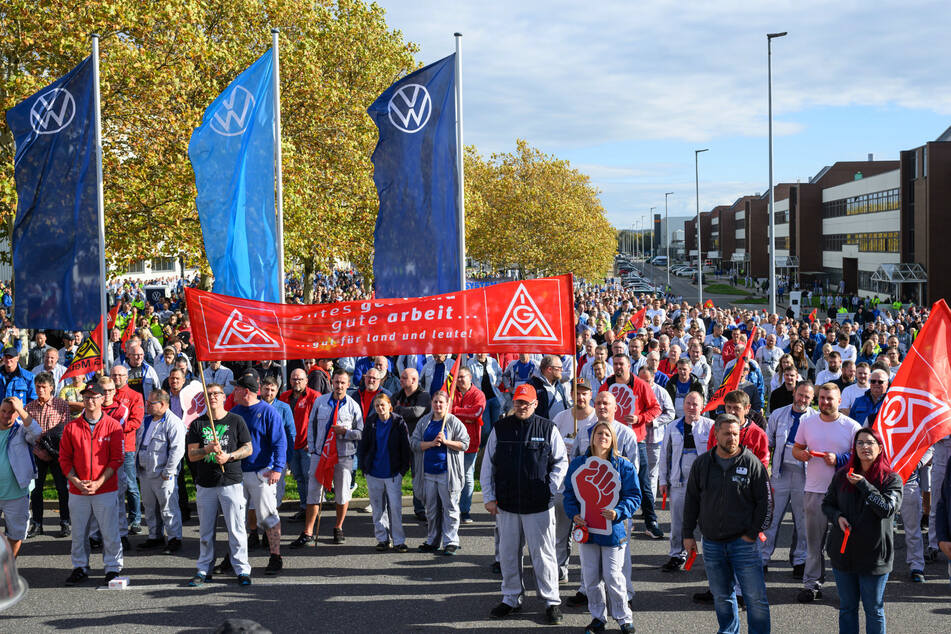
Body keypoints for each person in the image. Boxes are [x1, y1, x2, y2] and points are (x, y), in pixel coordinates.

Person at [480, 384, 568, 625]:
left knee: (544, 556)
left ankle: (551, 601)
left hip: (539, 505)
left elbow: (561, 462)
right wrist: (488, 496)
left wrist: (550, 488)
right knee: (508, 555)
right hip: (507, 505)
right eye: (518, 402)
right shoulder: (501, 428)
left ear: (535, 404)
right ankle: (510, 598)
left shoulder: (548, 428)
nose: (522, 406)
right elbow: (487, 465)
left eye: (526, 403)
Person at [682, 413, 771, 634]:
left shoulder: (751, 463)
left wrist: (752, 533)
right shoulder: (702, 464)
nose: (732, 438)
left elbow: (765, 503)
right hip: (712, 543)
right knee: (722, 597)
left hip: (745, 543)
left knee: (755, 598)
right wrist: (687, 534)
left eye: (735, 433)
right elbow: (691, 500)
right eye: (727, 433)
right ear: (716, 434)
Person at [822, 427, 902, 634]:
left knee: (873, 609)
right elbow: (827, 504)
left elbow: (886, 509)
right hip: (843, 554)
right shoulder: (842, 475)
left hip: (874, 557)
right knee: (847, 608)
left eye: (870, 443)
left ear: (880, 448)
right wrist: (837, 517)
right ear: (854, 448)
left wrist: (864, 485)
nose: (865, 447)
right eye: (860, 443)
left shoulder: (891, 479)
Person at [563, 421, 640, 634]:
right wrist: (574, 514)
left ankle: (624, 618)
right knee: (591, 577)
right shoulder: (579, 464)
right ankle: (598, 618)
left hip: (613, 530)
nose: (602, 437)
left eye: (607, 434)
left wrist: (619, 511)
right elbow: (569, 493)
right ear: (592, 436)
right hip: (587, 529)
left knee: (614, 576)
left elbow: (634, 495)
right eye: (599, 433)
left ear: (613, 438)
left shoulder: (623, 465)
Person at [792, 383, 861, 603]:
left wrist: (839, 460)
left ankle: (849, 587)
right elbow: (797, 447)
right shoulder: (807, 422)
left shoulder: (852, 426)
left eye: (829, 399)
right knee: (814, 544)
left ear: (839, 401)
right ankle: (812, 584)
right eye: (821, 398)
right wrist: (800, 454)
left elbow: (862, 458)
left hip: (845, 494)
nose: (824, 402)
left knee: (846, 544)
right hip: (814, 490)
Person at [184, 383, 254, 587]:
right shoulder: (198, 424)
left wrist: (229, 456)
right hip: (205, 484)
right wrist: (206, 450)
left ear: (224, 397)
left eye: (216, 394)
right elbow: (191, 455)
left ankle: (242, 569)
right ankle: (203, 569)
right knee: (206, 531)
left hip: (230, 481)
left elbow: (248, 448)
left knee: (236, 529)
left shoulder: (236, 421)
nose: (213, 397)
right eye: (208, 394)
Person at [58, 383, 125, 586]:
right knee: (79, 532)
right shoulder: (72, 427)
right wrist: (77, 482)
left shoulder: (113, 425)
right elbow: (64, 459)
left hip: (104, 488)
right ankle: (80, 566)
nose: (90, 401)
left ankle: (113, 568)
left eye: (94, 397)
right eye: (86, 397)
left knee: (110, 531)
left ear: (101, 399)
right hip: (78, 490)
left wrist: (98, 483)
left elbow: (117, 459)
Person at [294, 368, 363, 546]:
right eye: (336, 382)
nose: (339, 386)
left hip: (343, 456)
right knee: (314, 493)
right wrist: (313, 448)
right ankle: (308, 531)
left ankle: (338, 527)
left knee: (342, 493)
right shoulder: (321, 402)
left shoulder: (353, 406)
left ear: (348, 385)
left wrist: (346, 432)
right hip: (320, 454)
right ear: (331, 382)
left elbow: (360, 433)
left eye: (343, 383)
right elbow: (312, 425)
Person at [229, 370, 286, 576]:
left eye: (236, 388)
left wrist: (277, 468)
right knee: (235, 517)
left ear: (245, 391)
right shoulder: (235, 412)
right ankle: (234, 556)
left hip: (262, 472)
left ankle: (275, 556)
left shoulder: (268, 412)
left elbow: (280, 441)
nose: (233, 391)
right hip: (237, 473)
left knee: (268, 516)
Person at [599, 353, 662, 539]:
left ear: (629, 366)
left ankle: (651, 522)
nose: (618, 367)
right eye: (616, 364)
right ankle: (618, 518)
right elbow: (600, 403)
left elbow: (656, 408)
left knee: (642, 482)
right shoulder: (608, 384)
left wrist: (640, 418)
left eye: (622, 364)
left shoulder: (640, 385)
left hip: (636, 439)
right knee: (610, 481)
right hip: (610, 440)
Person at [762, 381, 816, 575]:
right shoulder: (778, 414)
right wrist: (765, 471)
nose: (802, 399)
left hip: (804, 475)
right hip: (780, 473)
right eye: (800, 395)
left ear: (812, 399)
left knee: (802, 521)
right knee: (771, 518)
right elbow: (767, 443)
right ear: (795, 393)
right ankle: (763, 558)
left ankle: (800, 560)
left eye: (807, 397)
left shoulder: (815, 419)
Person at [658, 390, 713, 572]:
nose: (691, 407)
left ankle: (711, 557)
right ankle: (676, 555)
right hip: (679, 483)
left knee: (707, 522)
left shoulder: (711, 426)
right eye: (688, 403)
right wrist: (663, 481)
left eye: (695, 404)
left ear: (702, 406)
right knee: (678, 522)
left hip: (704, 484)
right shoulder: (673, 427)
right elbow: (664, 455)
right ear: (683, 405)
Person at [410, 390, 469, 554]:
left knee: (450, 507)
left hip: (447, 473)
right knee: (432, 509)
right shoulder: (424, 422)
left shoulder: (453, 422)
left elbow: (465, 444)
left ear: (447, 404)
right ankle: (433, 540)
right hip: (428, 473)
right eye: (435, 402)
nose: (437, 405)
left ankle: (451, 541)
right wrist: (430, 443)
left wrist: (446, 442)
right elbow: (414, 443)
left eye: (441, 402)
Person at [551, 379, 597, 583]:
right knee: (561, 531)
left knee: (591, 533)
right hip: (564, 484)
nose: (580, 397)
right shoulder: (560, 418)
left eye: (584, 393)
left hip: (590, 487)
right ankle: (560, 568)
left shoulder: (597, 419)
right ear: (571, 394)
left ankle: (591, 575)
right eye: (577, 393)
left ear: (591, 395)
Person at [357, 393, 411, 552]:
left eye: (383, 405)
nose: (380, 408)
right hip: (373, 472)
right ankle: (382, 538)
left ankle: (399, 540)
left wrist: (403, 470)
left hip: (393, 473)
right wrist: (364, 467)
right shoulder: (371, 422)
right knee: (377, 508)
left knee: (395, 508)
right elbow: (363, 445)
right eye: (377, 406)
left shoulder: (398, 422)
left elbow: (405, 448)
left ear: (390, 406)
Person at [135, 388, 185, 553]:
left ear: (162, 404)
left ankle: (174, 538)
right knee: (149, 507)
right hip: (145, 472)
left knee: (168, 507)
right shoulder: (147, 420)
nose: (147, 405)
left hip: (163, 474)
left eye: (150, 403)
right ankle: (154, 536)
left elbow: (177, 450)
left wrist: (168, 471)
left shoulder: (173, 422)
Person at [26, 372, 72, 538]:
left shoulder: (61, 405)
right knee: (36, 490)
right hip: (37, 453)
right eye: (38, 386)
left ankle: (65, 522)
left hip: (58, 454)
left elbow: (65, 430)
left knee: (62, 489)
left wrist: (53, 450)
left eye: (44, 387)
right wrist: (37, 450)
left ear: (51, 388)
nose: (40, 390)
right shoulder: (29, 407)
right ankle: (37, 524)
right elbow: (26, 433)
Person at [0, 396, 42, 557]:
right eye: (3, 411)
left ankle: (7, 569)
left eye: (11, 412)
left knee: (16, 535)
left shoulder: (21, 430)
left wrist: (22, 411)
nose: (6, 415)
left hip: (16, 493)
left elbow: (37, 433)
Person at [278, 368, 320, 521]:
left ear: (306, 381)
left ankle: (313, 510)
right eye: (294, 379)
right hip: (290, 446)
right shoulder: (284, 397)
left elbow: (319, 422)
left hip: (307, 446)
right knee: (299, 478)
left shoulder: (315, 397)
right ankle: (304, 508)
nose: (297, 382)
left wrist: (314, 441)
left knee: (310, 479)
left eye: (300, 379)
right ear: (289, 381)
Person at [392, 368, 431, 521]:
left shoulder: (424, 396)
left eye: (404, 378)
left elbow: (416, 412)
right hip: (399, 442)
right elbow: (389, 410)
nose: (400, 380)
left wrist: (398, 409)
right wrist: (398, 411)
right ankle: (392, 506)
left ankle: (420, 508)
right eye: (401, 377)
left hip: (417, 442)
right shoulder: (398, 394)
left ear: (414, 380)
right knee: (395, 476)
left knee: (418, 476)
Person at [109, 363, 146, 528]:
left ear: (127, 377)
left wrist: (114, 428)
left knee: (130, 485)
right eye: (114, 375)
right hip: (106, 446)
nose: (117, 378)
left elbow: (136, 421)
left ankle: (135, 519)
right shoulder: (106, 394)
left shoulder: (135, 396)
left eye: (120, 375)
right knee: (110, 485)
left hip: (127, 446)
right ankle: (114, 518)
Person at [451, 368, 485, 524]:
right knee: (451, 477)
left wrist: (455, 411)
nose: (459, 380)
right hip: (451, 442)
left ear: (470, 377)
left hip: (471, 444)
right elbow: (446, 411)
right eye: (457, 378)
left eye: (462, 377)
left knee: (467, 477)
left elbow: (476, 414)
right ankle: (451, 508)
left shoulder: (478, 394)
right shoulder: (450, 392)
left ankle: (465, 510)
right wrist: (465, 414)